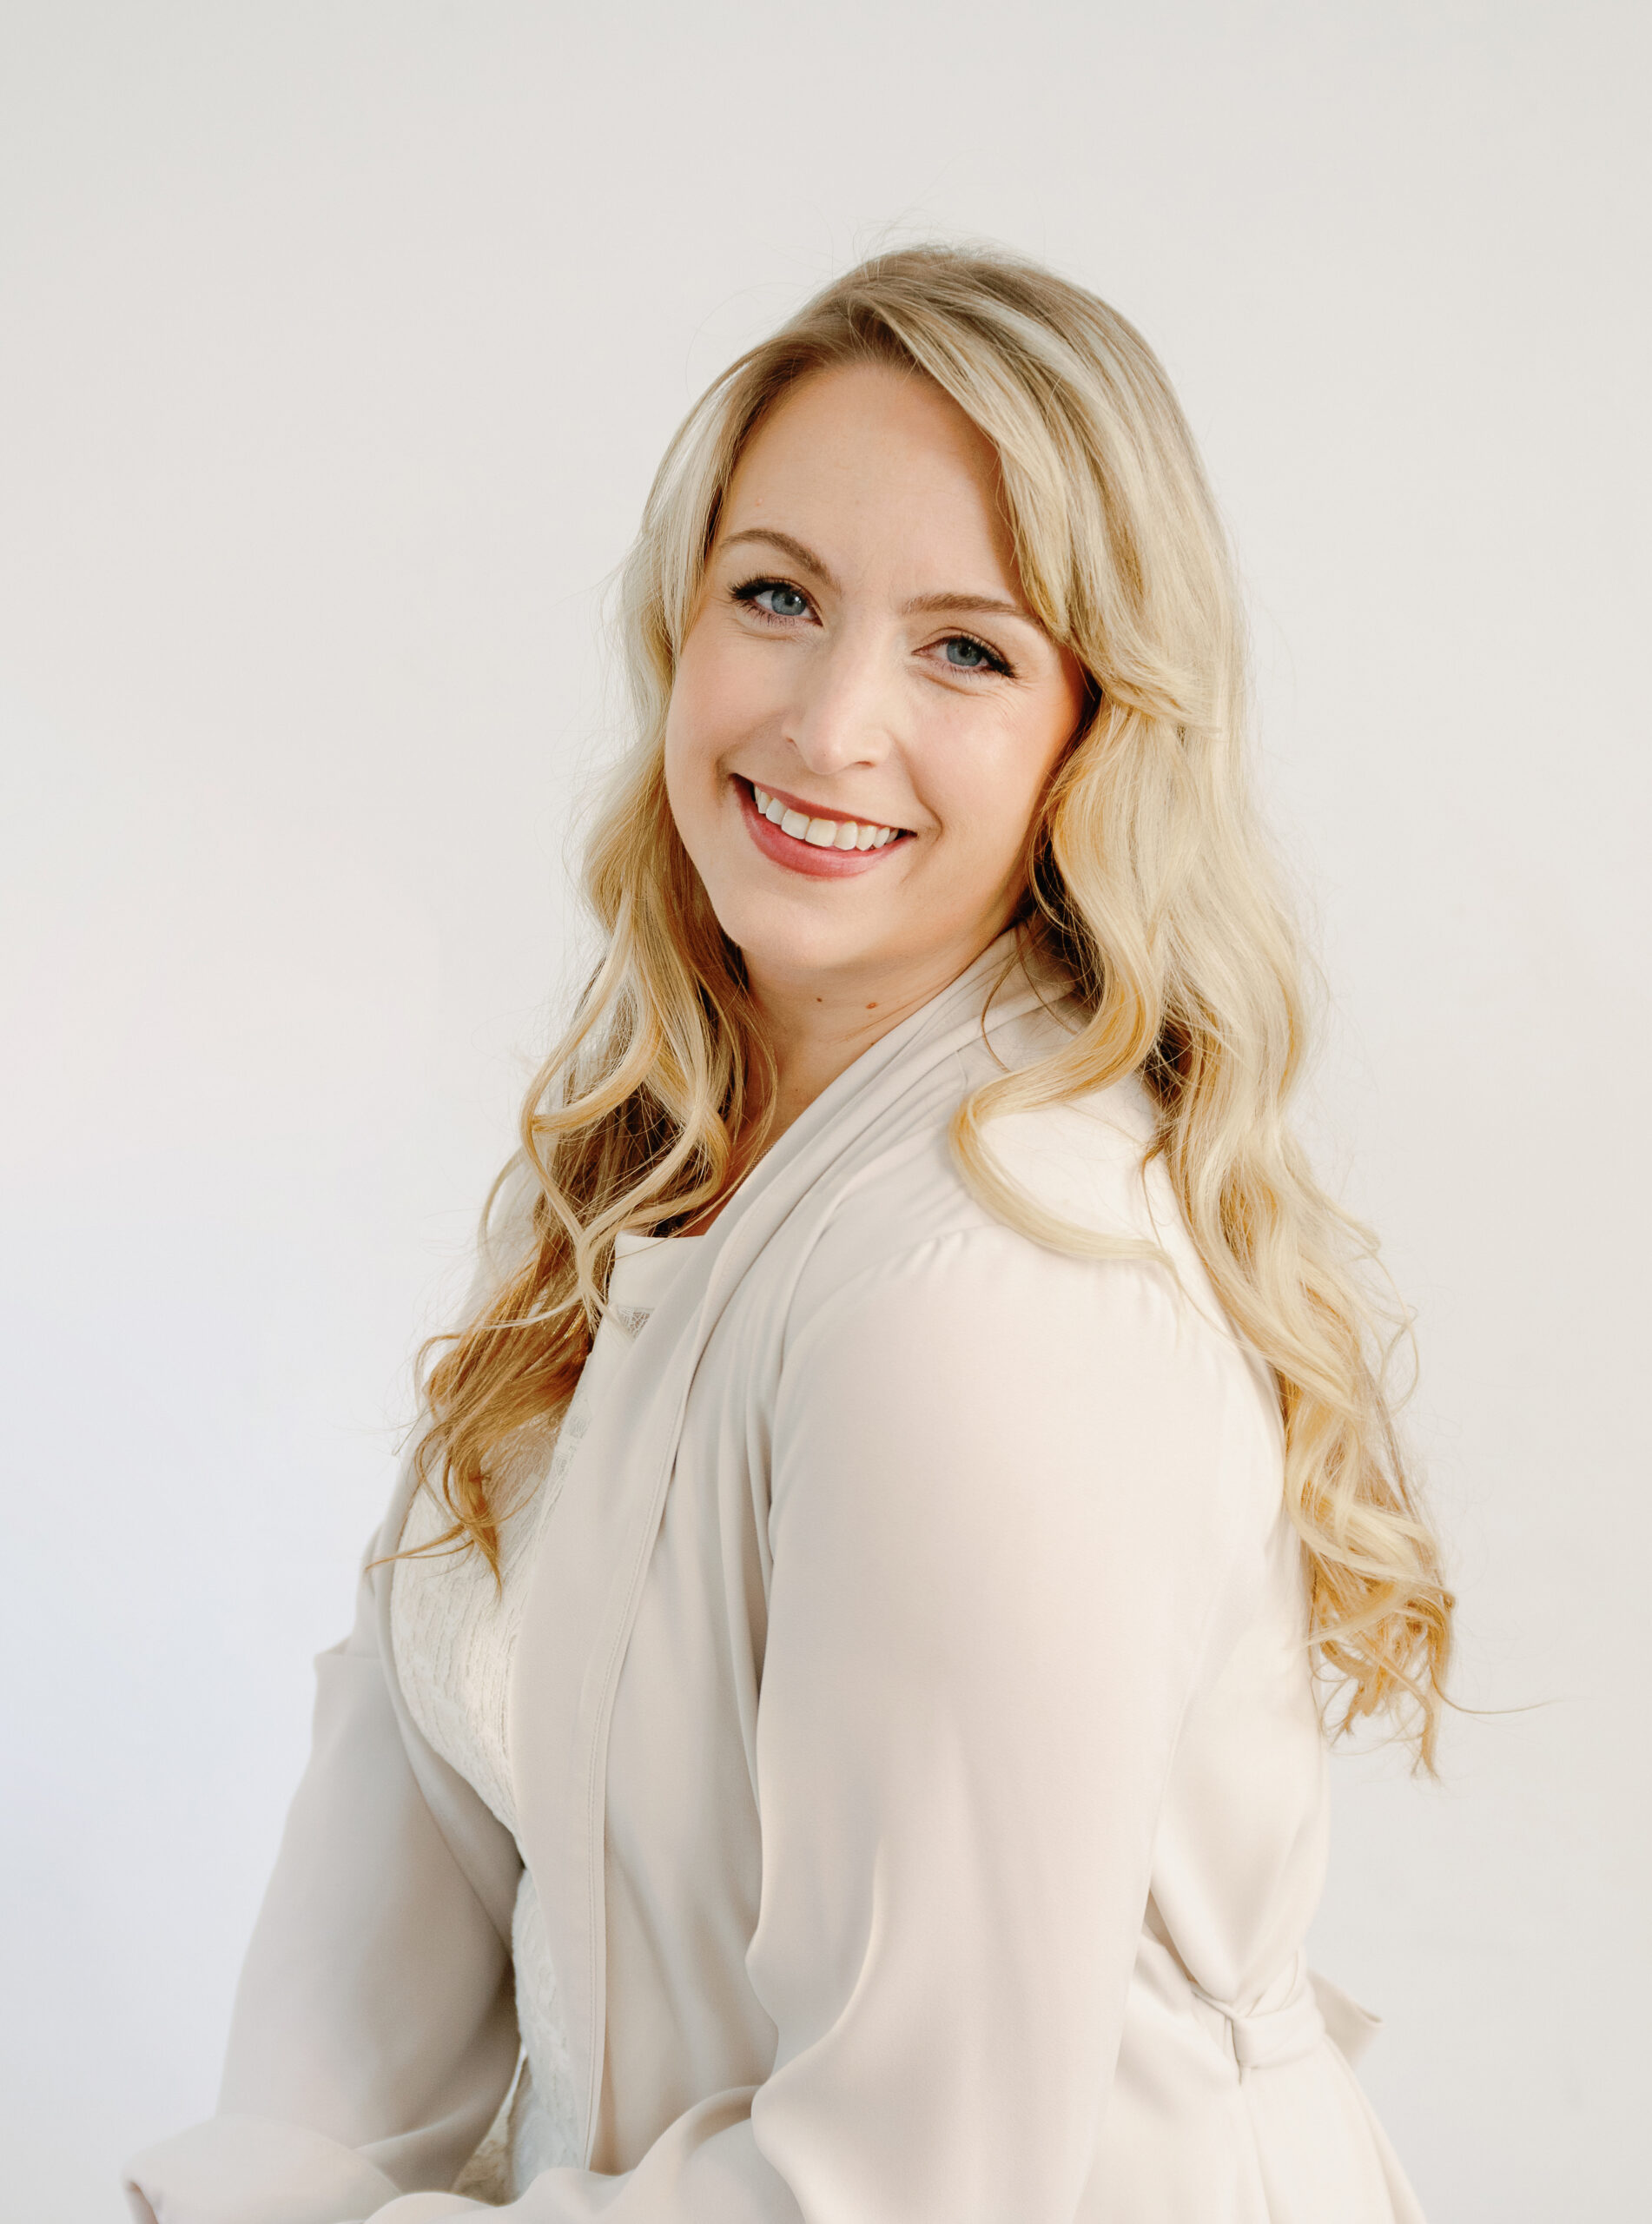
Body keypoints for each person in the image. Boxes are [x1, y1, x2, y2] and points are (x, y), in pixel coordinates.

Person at [124, 243, 1451, 2224]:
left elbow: (898, 2189)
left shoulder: (991, 1298)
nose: (829, 723)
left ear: (1101, 729)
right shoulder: (639, 1162)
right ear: (684, 619)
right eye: (778, 595)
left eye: (967, 648)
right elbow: (397, 1857)